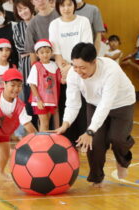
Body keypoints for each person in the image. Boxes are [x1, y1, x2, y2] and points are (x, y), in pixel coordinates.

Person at [56, 42, 136, 188]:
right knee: (95, 142)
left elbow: (106, 104)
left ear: (94, 62)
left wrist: (90, 131)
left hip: (122, 103)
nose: (78, 71)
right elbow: (73, 103)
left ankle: (122, 160)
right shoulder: (74, 73)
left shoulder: (110, 70)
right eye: (75, 66)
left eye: (83, 67)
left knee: (117, 138)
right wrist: (65, 124)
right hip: (94, 103)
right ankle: (97, 177)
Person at [49, 0, 92, 142]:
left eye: (69, 4)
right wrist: (64, 70)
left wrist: (72, 68)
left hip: (81, 69)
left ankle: (84, 140)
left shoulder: (83, 21)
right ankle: (68, 141)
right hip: (63, 72)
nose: (66, 8)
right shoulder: (54, 24)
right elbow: (56, 52)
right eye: (62, 5)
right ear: (58, 7)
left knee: (83, 107)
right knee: (67, 104)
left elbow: (86, 46)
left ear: (75, 5)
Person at [27, 39, 62, 131]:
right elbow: (32, 84)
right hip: (40, 100)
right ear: (37, 54)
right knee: (44, 123)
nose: (45, 54)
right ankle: (42, 144)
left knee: (46, 122)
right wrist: (38, 99)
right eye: (42, 52)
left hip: (51, 100)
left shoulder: (55, 65)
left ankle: (43, 141)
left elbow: (60, 79)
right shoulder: (36, 66)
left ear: (51, 52)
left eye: (47, 52)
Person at [13, 0, 36, 126]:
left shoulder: (40, 21)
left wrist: (31, 50)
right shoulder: (18, 27)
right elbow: (20, 49)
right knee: (29, 104)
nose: (23, 12)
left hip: (44, 70)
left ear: (31, 7)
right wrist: (37, 50)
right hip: (26, 71)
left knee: (45, 105)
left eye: (25, 8)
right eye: (20, 10)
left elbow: (47, 45)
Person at [24, 0, 59, 65]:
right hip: (46, 66)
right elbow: (33, 55)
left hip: (66, 61)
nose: (40, 1)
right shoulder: (31, 25)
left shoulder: (61, 14)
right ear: (32, 2)